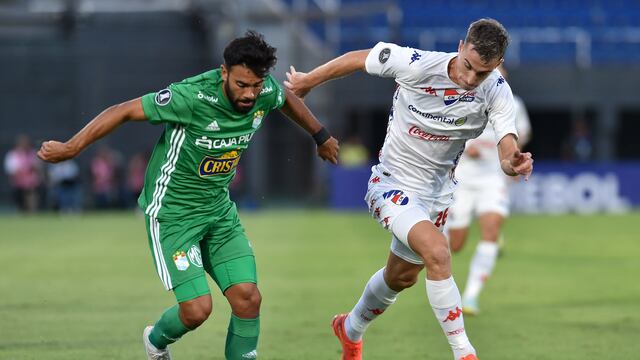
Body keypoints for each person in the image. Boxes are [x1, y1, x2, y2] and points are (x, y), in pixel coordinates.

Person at [37, 30, 339, 360]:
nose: (250, 94)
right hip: (173, 215)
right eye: (241, 85)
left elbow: (283, 96)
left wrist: (320, 135)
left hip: (218, 212)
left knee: (248, 298)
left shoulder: (262, 89)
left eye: (255, 85)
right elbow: (122, 110)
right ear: (224, 72)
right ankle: (155, 341)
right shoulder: (191, 97)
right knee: (197, 310)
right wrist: (71, 148)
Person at [285, 18, 533, 360]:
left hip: (438, 196)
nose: (470, 79)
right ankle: (465, 353)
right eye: (468, 67)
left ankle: (350, 328)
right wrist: (307, 81)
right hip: (391, 184)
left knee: (400, 278)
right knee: (439, 252)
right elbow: (361, 57)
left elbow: (507, 142)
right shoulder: (417, 64)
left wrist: (511, 162)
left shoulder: (496, 91)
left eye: (483, 73)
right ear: (461, 47)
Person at [446, 64, 532, 316]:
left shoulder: (513, 104)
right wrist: (464, 144)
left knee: (491, 231)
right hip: (462, 176)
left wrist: (514, 161)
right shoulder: (463, 97)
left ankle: (470, 297)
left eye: (500, 73)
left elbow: (522, 134)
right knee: (457, 243)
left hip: (492, 176)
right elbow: (447, 129)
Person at [4, 134, 43, 212]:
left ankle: (32, 212)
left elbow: (37, 167)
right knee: (21, 203)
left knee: (32, 197)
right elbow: (12, 170)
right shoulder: (13, 155)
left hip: (32, 183)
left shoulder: (32, 154)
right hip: (19, 183)